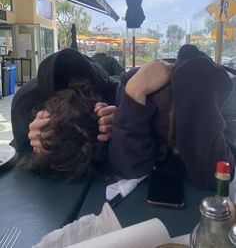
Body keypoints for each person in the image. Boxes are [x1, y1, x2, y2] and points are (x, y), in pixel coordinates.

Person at [14, 45, 236, 190]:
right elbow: (17, 157)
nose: (97, 106)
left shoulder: (113, 90)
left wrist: (124, 111)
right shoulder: (25, 103)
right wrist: (30, 141)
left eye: (91, 96)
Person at [11, 48, 118, 180]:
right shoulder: (24, 103)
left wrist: (123, 125)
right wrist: (34, 149)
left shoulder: (115, 94)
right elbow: (21, 157)